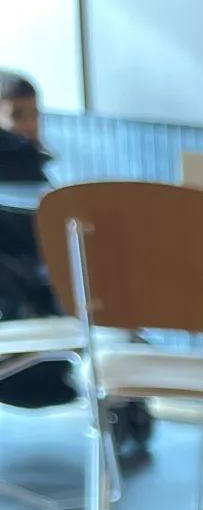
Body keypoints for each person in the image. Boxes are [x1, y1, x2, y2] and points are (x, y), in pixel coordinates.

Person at [0, 70, 152, 456]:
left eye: (34, 114)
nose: (29, 125)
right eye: (17, 114)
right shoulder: (16, 167)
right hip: (24, 322)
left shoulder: (33, 172)